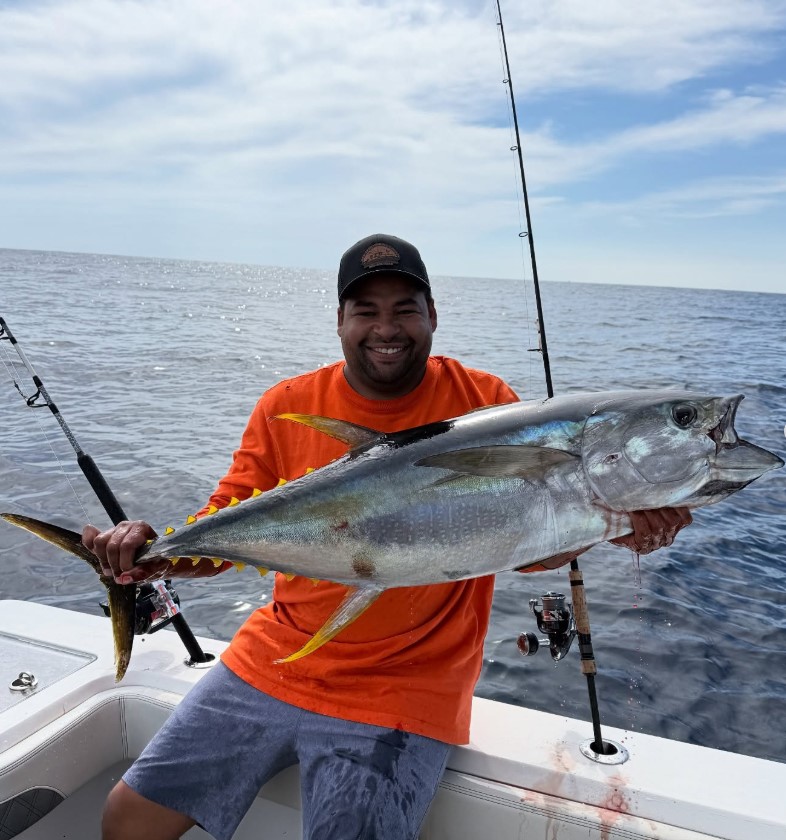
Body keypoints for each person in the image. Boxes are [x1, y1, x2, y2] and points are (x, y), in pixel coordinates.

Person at [83, 233, 692, 840]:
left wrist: (611, 522)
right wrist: (152, 557)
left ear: (432, 316)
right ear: (341, 320)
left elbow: (528, 550)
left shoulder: (487, 404)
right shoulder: (286, 404)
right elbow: (222, 528)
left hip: (409, 687)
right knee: (126, 819)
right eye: (366, 311)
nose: (387, 328)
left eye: (405, 308)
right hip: (271, 660)